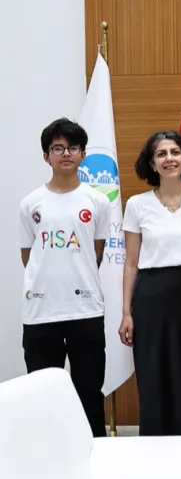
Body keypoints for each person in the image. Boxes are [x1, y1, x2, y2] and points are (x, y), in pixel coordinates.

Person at [119, 130, 181, 436]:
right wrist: (126, 312)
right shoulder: (137, 205)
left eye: (175, 152)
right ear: (151, 163)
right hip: (151, 296)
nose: (169, 159)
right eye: (161, 154)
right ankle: (158, 443)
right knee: (154, 370)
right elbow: (131, 263)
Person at [18, 118, 110, 437]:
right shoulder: (30, 203)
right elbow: (28, 256)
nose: (66, 153)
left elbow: (96, 252)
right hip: (41, 312)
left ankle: (96, 451)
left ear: (83, 154)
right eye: (58, 148)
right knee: (44, 395)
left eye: (72, 147)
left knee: (89, 392)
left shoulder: (97, 201)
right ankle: (47, 453)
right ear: (47, 156)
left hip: (85, 310)